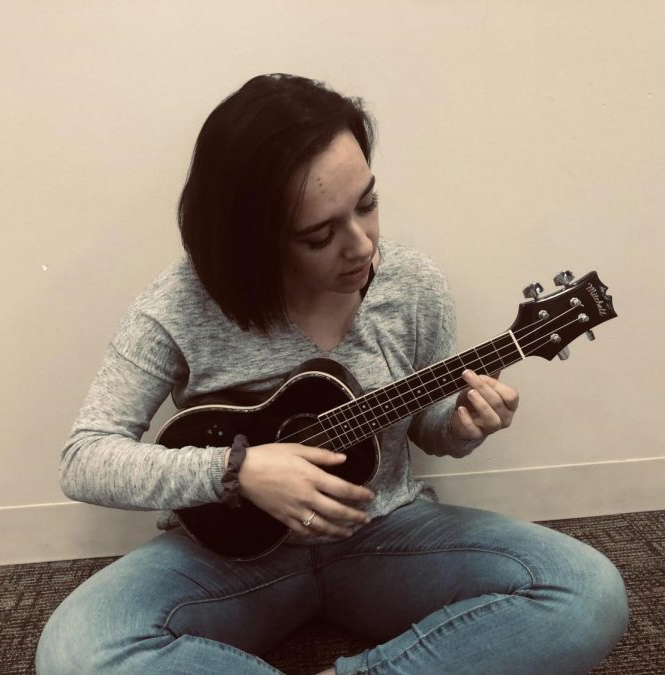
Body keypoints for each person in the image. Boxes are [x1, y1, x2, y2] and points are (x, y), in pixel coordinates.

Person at [36, 73, 628, 674]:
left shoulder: (413, 285)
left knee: (585, 590)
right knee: (78, 649)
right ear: (253, 239)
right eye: (320, 234)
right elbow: (84, 459)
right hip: (232, 557)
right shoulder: (180, 302)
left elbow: (428, 422)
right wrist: (237, 471)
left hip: (384, 534)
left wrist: (459, 428)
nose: (362, 245)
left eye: (367, 205)